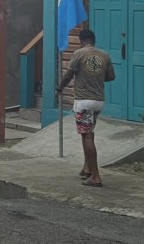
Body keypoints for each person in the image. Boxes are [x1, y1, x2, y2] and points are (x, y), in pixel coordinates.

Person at [56, 28, 115, 188]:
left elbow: (68, 75)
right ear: (93, 40)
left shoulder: (78, 54)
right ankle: (87, 168)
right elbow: (111, 76)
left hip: (84, 102)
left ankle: (95, 176)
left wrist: (59, 88)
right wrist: (96, 77)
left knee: (87, 136)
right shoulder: (104, 55)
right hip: (99, 101)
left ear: (81, 40)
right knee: (88, 133)